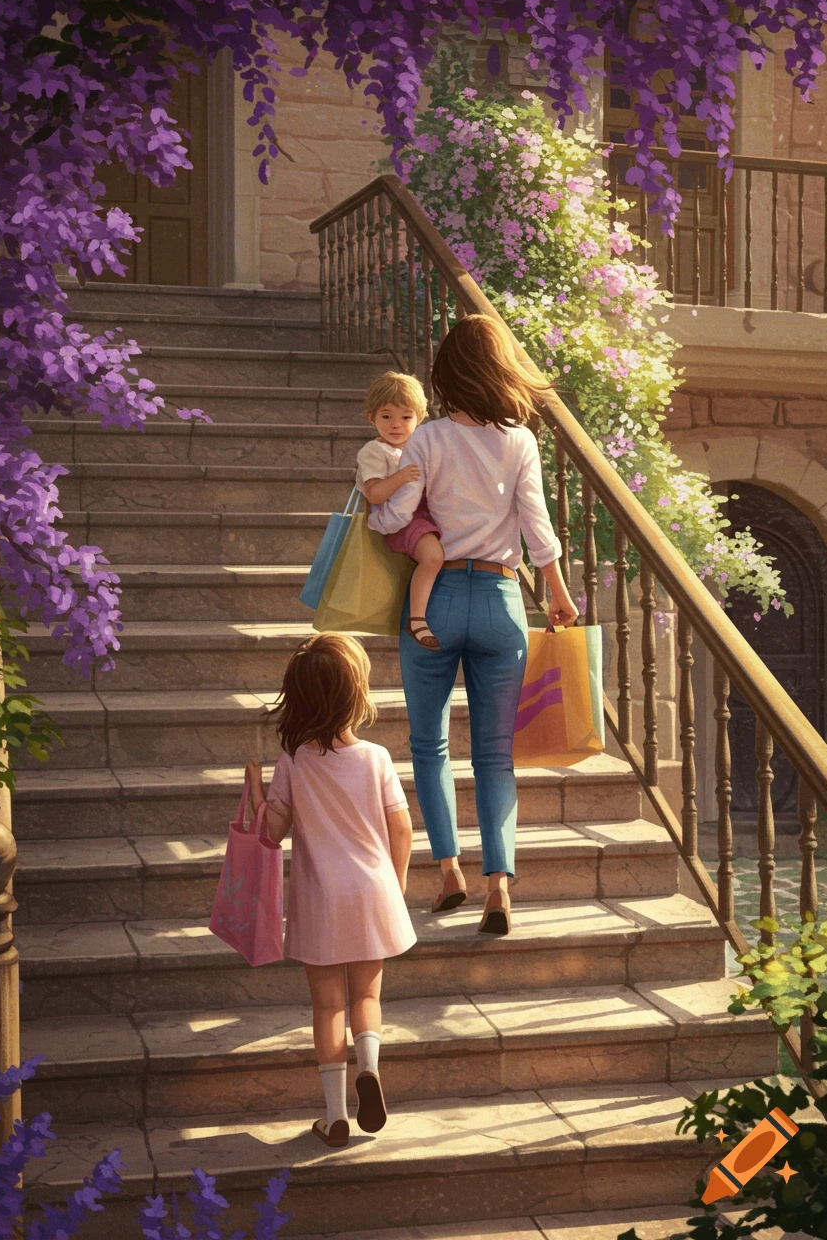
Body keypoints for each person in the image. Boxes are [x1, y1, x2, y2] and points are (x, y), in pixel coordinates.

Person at [369, 314, 578, 937]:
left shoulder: (424, 439)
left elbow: (392, 518)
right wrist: (560, 595)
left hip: (432, 601)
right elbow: (537, 528)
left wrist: (396, 511)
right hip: (499, 596)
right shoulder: (519, 441)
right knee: (494, 754)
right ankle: (499, 890)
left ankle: (450, 874)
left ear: (445, 371)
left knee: (430, 745)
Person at [244, 633, 415, 1150]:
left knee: (327, 1008)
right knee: (367, 994)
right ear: (355, 695)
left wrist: (254, 788)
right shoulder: (377, 758)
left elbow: (269, 834)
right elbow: (402, 828)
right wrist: (397, 884)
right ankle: (369, 1068)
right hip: (372, 890)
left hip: (319, 898)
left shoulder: (292, 763)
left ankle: (336, 1116)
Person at [355, 371, 445, 650]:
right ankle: (416, 619)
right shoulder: (375, 451)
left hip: (427, 515)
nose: (396, 425)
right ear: (372, 418)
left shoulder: (420, 447)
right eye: (386, 416)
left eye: (405, 417)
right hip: (400, 520)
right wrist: (401, 477)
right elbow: (373, 493)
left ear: (419, 419)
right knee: (432, 558)